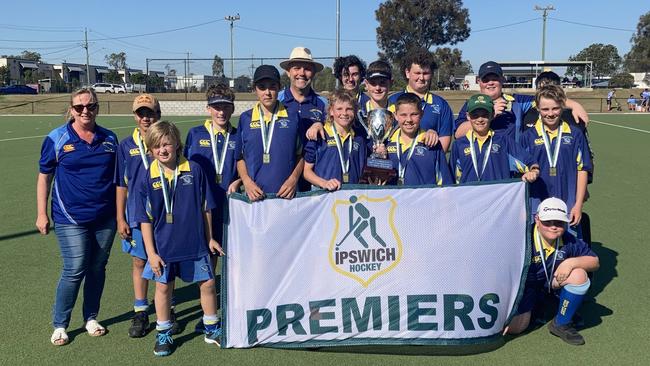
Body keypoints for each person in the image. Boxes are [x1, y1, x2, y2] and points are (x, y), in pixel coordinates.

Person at [37, 88, 118, 346]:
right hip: (69, 217)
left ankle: (91, 317)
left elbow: (118, 180)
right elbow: (44, 177)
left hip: (105, 217)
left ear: (97, 107)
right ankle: (60, 324)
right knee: (75, 268)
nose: (85, 111)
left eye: (90, 106)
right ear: (72, 109)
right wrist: (41, 213)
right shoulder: (57, 138)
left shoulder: (109, 138)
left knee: (97, 267)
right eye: (79, 106)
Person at [135, 121, 224, 356]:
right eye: (156, 146)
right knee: (163, 289)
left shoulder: (194, 170)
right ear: (150, 150)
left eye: (166, 144)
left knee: (208, 284)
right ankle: (163, 333)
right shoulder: (147, 177)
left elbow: (206, 208)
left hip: (195, 243)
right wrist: (151, 253)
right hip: (164, 247)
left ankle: (211, 327)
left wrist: (210, 238)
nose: (162, 150)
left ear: (177, 144)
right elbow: (144, 219)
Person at [116, 94, 182, 338]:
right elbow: (120, 185)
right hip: (136, 214)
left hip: (165, 213)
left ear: (159, 113)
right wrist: (120, 218)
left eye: (150, 112)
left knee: (166, 259)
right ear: (135, 116)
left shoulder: (168, 141)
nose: (146, 117)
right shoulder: (125, 145)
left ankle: (169, 307)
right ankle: (141, 309)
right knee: (139, 261)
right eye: (141, 113)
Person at [505, 197, 599, 345]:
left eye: (559, 222)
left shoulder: (568, 239)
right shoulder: (522, 238)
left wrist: (571, 262)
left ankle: (561, 323)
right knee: (516, 328)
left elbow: (594, 261)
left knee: (579, 275)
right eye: (547, 222)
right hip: (525, 286)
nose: (553, 227)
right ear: (537, 219)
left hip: (552, 282)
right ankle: (536, 306)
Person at [455, 61, 590, 144]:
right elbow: (458, 133)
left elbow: (546, 99)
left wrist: (574, 104)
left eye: (494, 78)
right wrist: (488, 114)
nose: (490, 82)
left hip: (512, 168)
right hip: (481, 162)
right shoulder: (470, 104)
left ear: (502, 80)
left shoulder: (517, 101)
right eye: (486, 79)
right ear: (479, 82)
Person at [521, 85, 592, 236]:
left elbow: (582, 169)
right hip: (536, 202)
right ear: (538, 109)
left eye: (555, 108)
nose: (550, 114)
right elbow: (520, 172)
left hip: (568, 202)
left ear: (562, 107)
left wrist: (578, 205)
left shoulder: (575, 134)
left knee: (570, 246)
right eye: (545, 109)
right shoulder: (527, 137)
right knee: (537, 246)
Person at [237, 65, 304, 201]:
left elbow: (301, 155)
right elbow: (239, 157)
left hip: (286, 196)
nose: (267, 92)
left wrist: (293, 179)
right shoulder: (245, 118)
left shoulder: (293, 117)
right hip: (255, 196)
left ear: (279, 87)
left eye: (272, 86)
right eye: (262, 87)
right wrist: (246, 182)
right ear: (254, 89)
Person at [450, 94, 539, 184]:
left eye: (485, 115)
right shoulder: (459, 145)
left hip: (498, 197)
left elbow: (530, 162)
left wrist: (533, 171)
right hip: (469, 196)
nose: (480, 119)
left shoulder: (503, 140)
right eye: (475, 115)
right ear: (468, 116)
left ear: (492, 115)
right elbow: (452, 178)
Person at [387, 49, 454, 152]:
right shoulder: (392, 100)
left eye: (426, 73)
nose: (421, 78)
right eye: (417, 73)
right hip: (396, 164)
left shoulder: (441, 104)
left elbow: (444, 140)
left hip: (425, 165)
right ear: (407, 73)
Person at [303, 90, 368, 190]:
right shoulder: (320, 135)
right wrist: (324, 183)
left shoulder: (359, 139)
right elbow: (306, 172)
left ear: (355, 111)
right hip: (323, 195)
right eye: (339, 109)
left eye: (349, 109)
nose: (344, 113)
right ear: (331, 111)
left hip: (351, 196)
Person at [386, 93, 452, 186]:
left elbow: (444, 182)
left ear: (421, 114)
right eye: (403, 115)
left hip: (425, 200)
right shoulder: (387, 142)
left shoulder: (431, 142)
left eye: (414, 114)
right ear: (395, 115)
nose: (409, 119)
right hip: (394, 200)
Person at [279, 46, 328, 139]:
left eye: (307, 69)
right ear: (288, 72)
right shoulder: (277, 100)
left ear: (313, 73)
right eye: (297, 68)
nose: (302, 73)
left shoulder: (324, 104)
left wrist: (321, 125)